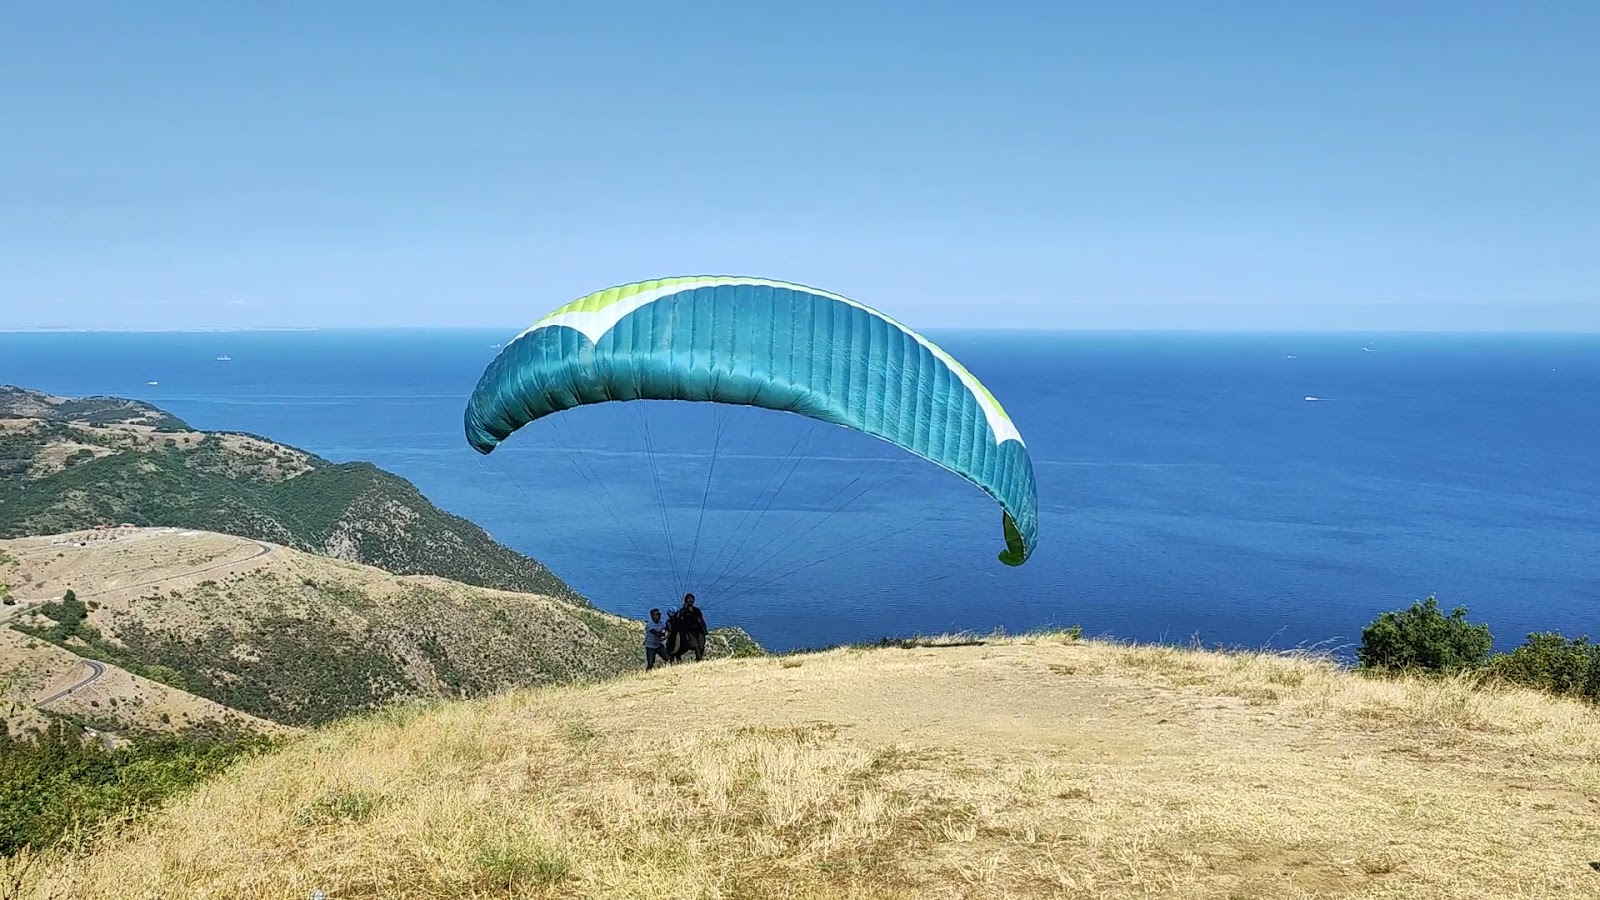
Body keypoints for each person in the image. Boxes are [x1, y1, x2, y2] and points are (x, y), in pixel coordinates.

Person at [674, 592, 708, 662]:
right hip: (689, 631)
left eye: (692, 599)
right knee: (695, 645)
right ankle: (699, 659)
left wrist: (704, 629)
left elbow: (701, 620)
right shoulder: (683, 610)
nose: (690, 600)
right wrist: (684, 608)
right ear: (686, 600)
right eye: (688, 599)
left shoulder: (697, 610)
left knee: (701, 646)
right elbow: (678, 618)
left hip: (699, 630)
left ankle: (698, 659)